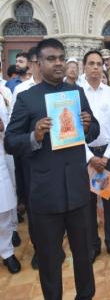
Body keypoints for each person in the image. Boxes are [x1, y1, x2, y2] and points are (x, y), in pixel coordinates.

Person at [4, 38, 99, 299]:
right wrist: (34, 136)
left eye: (61, 58)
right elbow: (11, 142)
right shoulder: (27, 98)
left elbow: (94, 132)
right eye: (51, 59)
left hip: (78, 191)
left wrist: (89, 125)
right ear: (38, 63)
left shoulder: (76, 93)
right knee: (48, 261)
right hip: (45, 195)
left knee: (84, 256)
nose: (58, 63)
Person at [81, 50, 110, 263]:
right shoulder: (77, 94)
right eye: (91, 63)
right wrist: (90, 157)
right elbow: (74, 133)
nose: (96, 67)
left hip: (107, 154)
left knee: (108, 201)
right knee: (89, 202)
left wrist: (106, 156)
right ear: (84, 67)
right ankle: (93, 245)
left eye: (99, 63)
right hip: (86, 155)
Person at [10, 46, 42, 269]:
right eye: (38, 61)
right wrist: (34, 135)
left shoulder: (61, 90)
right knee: (34, 205)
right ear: (32, 64)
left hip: (55, 159)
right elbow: (14, 133)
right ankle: (39, 248)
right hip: (30, 158)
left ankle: (55, 245)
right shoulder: (21, 90)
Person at [0, 91, 20, 274]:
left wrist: (2, 127)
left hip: (1, 158)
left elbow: (11, 128)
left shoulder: (2, 93)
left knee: (4, 211)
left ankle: (7, 253)